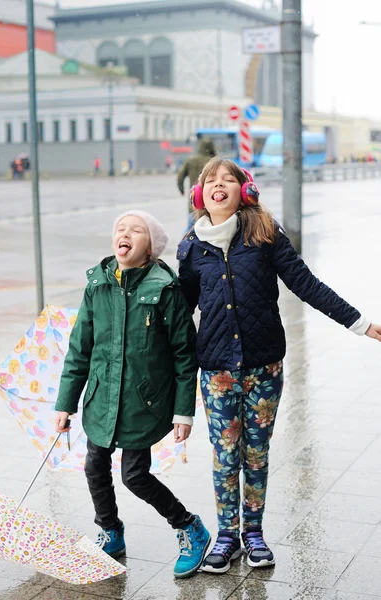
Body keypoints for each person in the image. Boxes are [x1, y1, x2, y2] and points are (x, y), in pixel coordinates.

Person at [177, 157, 381, 574]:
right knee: (224, 454)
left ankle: (253, 534)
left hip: (264, 365)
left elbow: (306, 285)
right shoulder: (191, 246)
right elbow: (180, 309)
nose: (219, 185)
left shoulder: (265, 234)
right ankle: (226, 536)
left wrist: (359, 322)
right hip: (216, 370)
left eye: (228, 180)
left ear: (244, 190)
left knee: (255, 453)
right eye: (211, 181)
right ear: (200, 194)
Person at [54, 210, 210, 579]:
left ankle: (189, 526)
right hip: (101, 398)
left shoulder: (164, 289)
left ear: (150, 247)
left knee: (134, 475)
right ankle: (110, 532)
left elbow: (184, 354)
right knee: (94, 464)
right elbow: (80, 348)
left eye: (135, 230)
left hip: (144, 401)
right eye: (120, 229)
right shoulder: (98, 284)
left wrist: (183, 411)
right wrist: (66, 403)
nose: (125, 234)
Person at [177, 138, 216, 230]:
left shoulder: (191, 161)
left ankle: (184, 244)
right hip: (211, 201)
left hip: (195, 199)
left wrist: (181, 189)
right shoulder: (214, 162)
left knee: (190, 229)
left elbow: (180, 177)